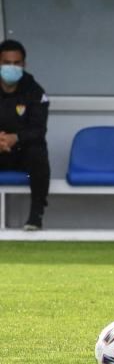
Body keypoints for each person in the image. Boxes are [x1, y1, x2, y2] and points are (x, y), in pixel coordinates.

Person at [0, 39, 51, 231]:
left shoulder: (34, 91)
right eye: (6, 63)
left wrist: (15, 138)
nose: (11, 67)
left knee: (37, 152)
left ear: (24, 64)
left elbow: (38, 130)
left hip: (22, 154)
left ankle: (35, 216)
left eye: (16, 63)